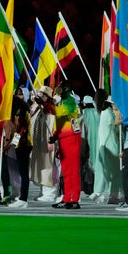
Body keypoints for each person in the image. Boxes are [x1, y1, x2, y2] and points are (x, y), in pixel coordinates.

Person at [50, 82, 83, 210]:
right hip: (64, 138)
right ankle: (66, 197)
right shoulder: (62, 102)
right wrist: (55, 136)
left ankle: (74, 199)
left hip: (72, 138)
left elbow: (59, 113)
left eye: (61, 89)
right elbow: (59, 121)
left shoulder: (70, 101)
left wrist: (47, 104)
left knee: (73, 170)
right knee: (66, 171)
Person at [90, 91, 122, 204]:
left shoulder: (109, 112)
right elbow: (115, 126)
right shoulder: (107, 113)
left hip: (110, 143)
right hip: (107, 144)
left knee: (110, 170)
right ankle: (100, 192)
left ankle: (108, 193)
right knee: (106, 170)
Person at [29, 85, 58, 202]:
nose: (39, 96)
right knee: (40, 166)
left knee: (48, 166)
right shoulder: (39, 108)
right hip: (39, 142)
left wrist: (51, 141)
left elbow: (52, 125)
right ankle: (43, 191)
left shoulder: (51, 109)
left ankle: (50, 193)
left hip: (47, 142)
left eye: (42, 94)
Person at [6, 99, 32, 209]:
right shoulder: (23, 111)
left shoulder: (21, 113)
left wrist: (8, 121)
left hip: (24, 144)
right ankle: (22, 197)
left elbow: (20, 129)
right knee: (23, 172)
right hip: (22, 144)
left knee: (23, 172)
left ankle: (23, 199)